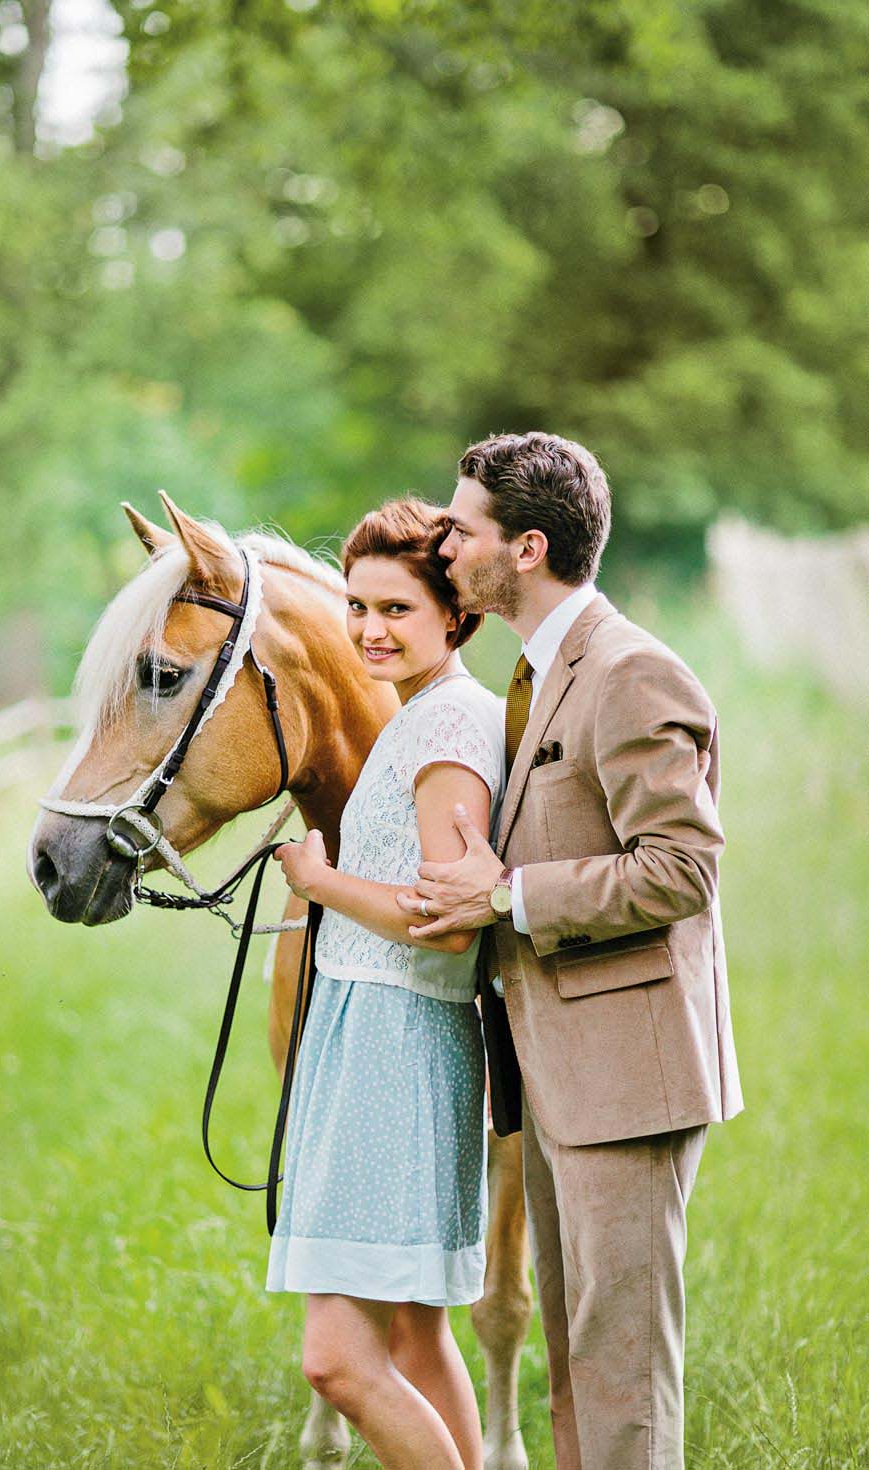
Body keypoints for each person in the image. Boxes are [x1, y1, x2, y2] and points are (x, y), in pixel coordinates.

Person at [397, 433, 743, 1470]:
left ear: (528, 547)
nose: (441, 547)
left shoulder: (630, 672)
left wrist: (506, 892)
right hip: (551, 1076)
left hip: (625, 1077)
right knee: (574, 1355)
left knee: (620, 1370)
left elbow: (681, 869)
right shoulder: (537, 674)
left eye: (459, 529)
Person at [269, 497, 506, 1470]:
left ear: (455, 616)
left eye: (395, 609)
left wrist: (320, 883)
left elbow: (442, 926)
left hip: (395, 1048)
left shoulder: (445, 730)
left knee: (335, 1360)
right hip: (379, 1037)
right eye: (357, 608)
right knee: (415, 1334)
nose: (368, 630)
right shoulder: (438, 714)